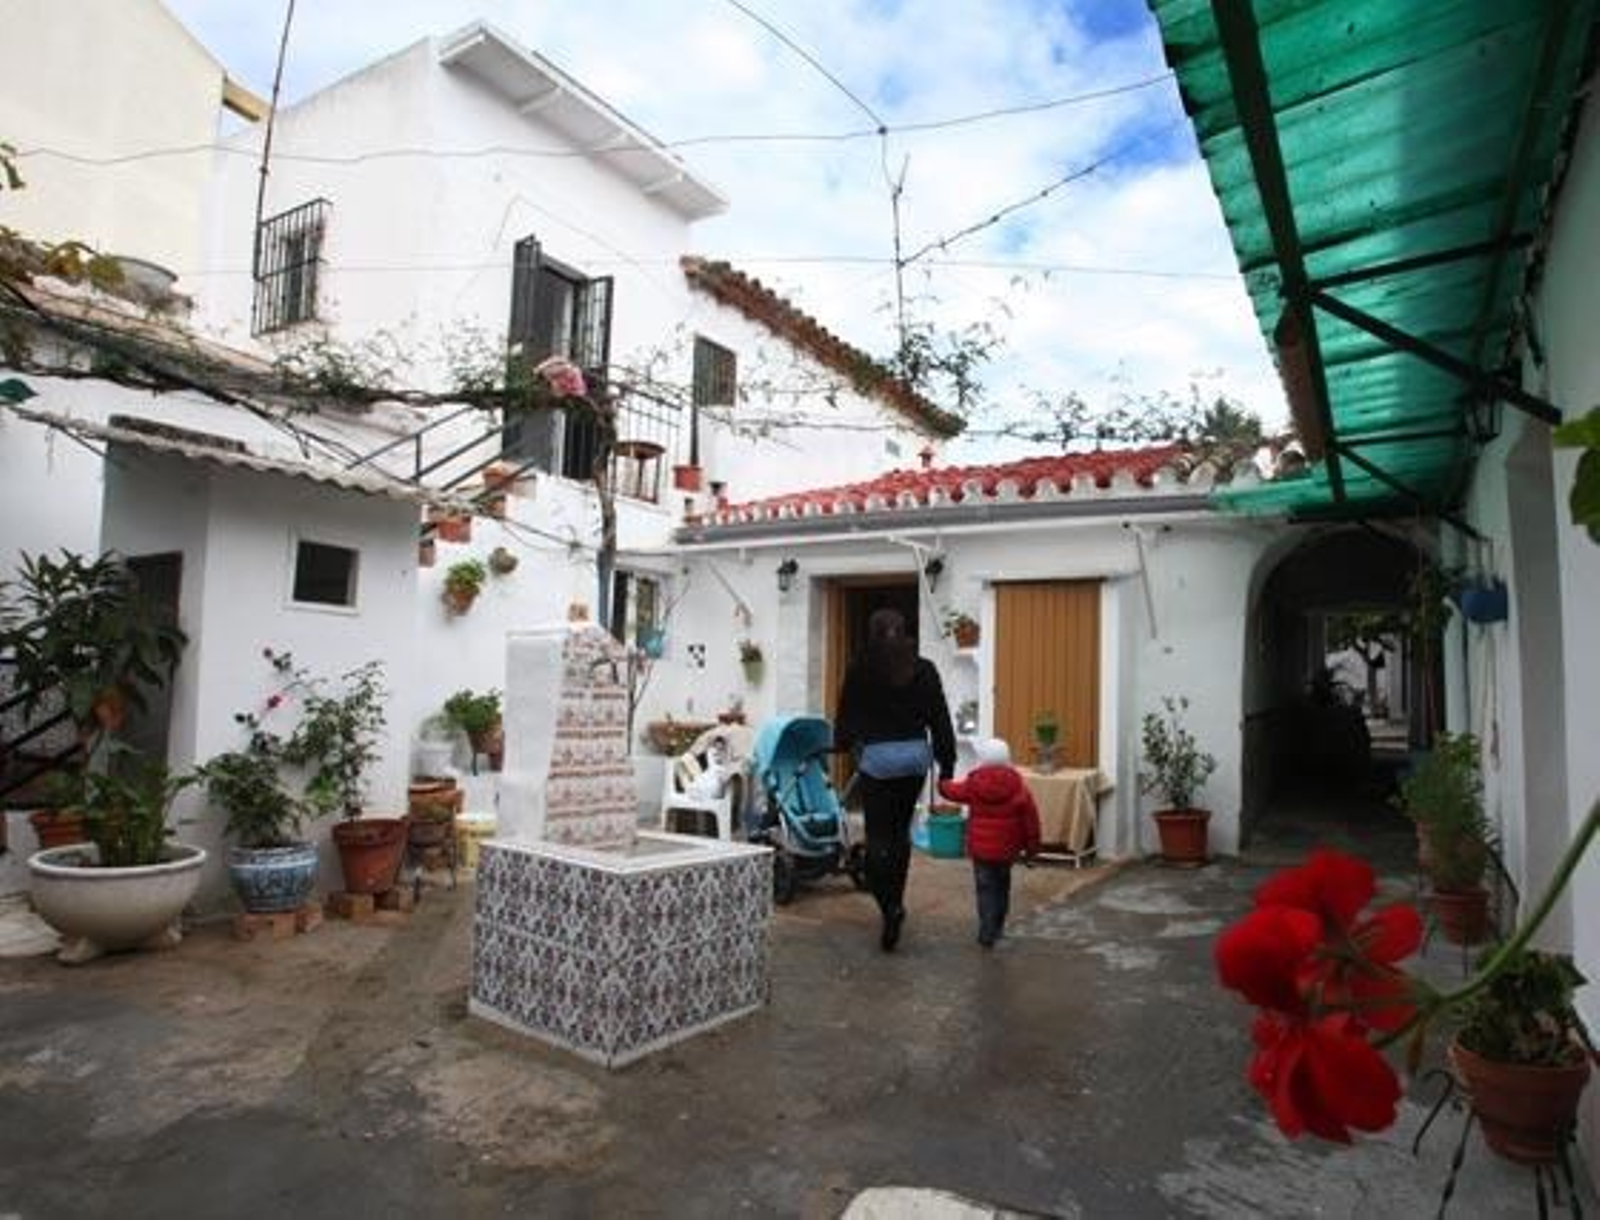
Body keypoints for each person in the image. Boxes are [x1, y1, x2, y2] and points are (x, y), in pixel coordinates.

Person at [834, 607, 956, 951]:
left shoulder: (860, 668)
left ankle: (889, 907)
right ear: (905, 632)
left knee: (877, 837)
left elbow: (846, 713)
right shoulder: (925, 669)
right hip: (915, 759)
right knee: (900, 835)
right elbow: (940, 718)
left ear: (873, 633)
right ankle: (897, 901)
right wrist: (947, 765)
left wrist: (843, 742)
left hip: (878, 760)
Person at [938, 737, 1041, 947]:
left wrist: (942, 781)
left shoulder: (974, 784)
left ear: (982, 759)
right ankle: (998, 926)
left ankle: (986, 928)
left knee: (984, 888)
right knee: (1002, 887)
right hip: (1007, 851)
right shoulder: (1019, 787)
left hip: (981, 851)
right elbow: (1031, 822)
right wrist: (1032, 851)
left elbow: (951, 791)